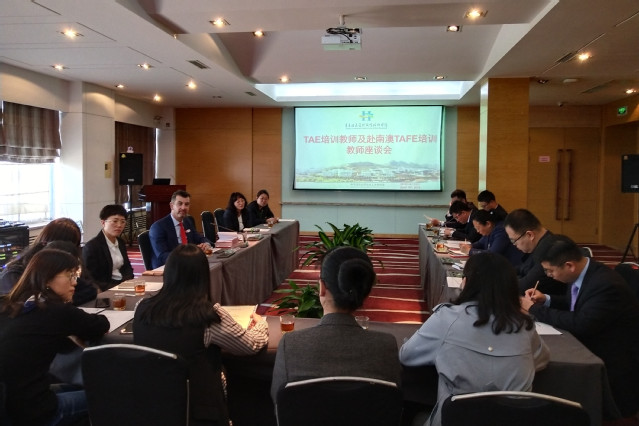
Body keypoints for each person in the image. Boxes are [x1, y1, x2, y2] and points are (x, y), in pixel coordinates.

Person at [399, 252, 550, 426]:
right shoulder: (524, 325)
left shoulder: (447, 319)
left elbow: (407, 356)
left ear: (465, 283)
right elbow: (542, 359)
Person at [134, 244, 268, 426]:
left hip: (150, 407)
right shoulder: (207, 316)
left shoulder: (141, 307)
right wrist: (261, 324)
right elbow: (250, 345)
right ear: (203, 276)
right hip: (197, 411)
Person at [521, 235, 639, 420]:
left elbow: (580, 323)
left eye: (550, 271)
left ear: (569, 265)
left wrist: (534, 309)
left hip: (611, 358)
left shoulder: (606, 285)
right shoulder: (584, 272)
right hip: (593, 334)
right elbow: (576, 303)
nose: (549, 276)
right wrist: (546, 299)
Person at [271, 246, 401, 402]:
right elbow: (393, 402)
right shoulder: (386, 346)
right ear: (365, 292)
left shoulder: (291, 344)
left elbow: (278, 400)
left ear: (322, 288)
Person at [0, 249, 110, 426]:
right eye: (70, 275)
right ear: (47, 278)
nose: (75, 282)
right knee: (109, 395)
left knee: (82, 386)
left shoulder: (8, 303)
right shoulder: (55, 311)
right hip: (33, 411)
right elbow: (100, 325)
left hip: (8, 403)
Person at [0, 218, 99, 305]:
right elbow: (31, 305)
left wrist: (67, 299)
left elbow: (92, 290)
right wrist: (64, 300)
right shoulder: (14, 273)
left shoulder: (60, 269)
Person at [503, 208, 565, 295]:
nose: (514, 245)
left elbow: (523, 287)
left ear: (530, 235)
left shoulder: (550, 250)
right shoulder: (540, 243)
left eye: (514, 240)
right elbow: (522, 269)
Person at [148, 190, 212, 268]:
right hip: (168, 268)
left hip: (188, 264)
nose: (183, 207)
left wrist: (206, 244)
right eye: (180, 204)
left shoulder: (187, 221)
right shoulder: (158, 227)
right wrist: (188, 255)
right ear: (171, 206)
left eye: (186, 204)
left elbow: (199, 237)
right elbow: (163, 256)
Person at [82, 204, 134, 291]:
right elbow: (90, 278)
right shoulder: (92, 247)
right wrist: (116, 287)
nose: (119, 225)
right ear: (103, 223)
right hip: (105, 288)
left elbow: (127, 267)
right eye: (115, 221)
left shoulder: (121, 242)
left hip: (123, 285)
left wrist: (127, 282)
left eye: (123, 222)